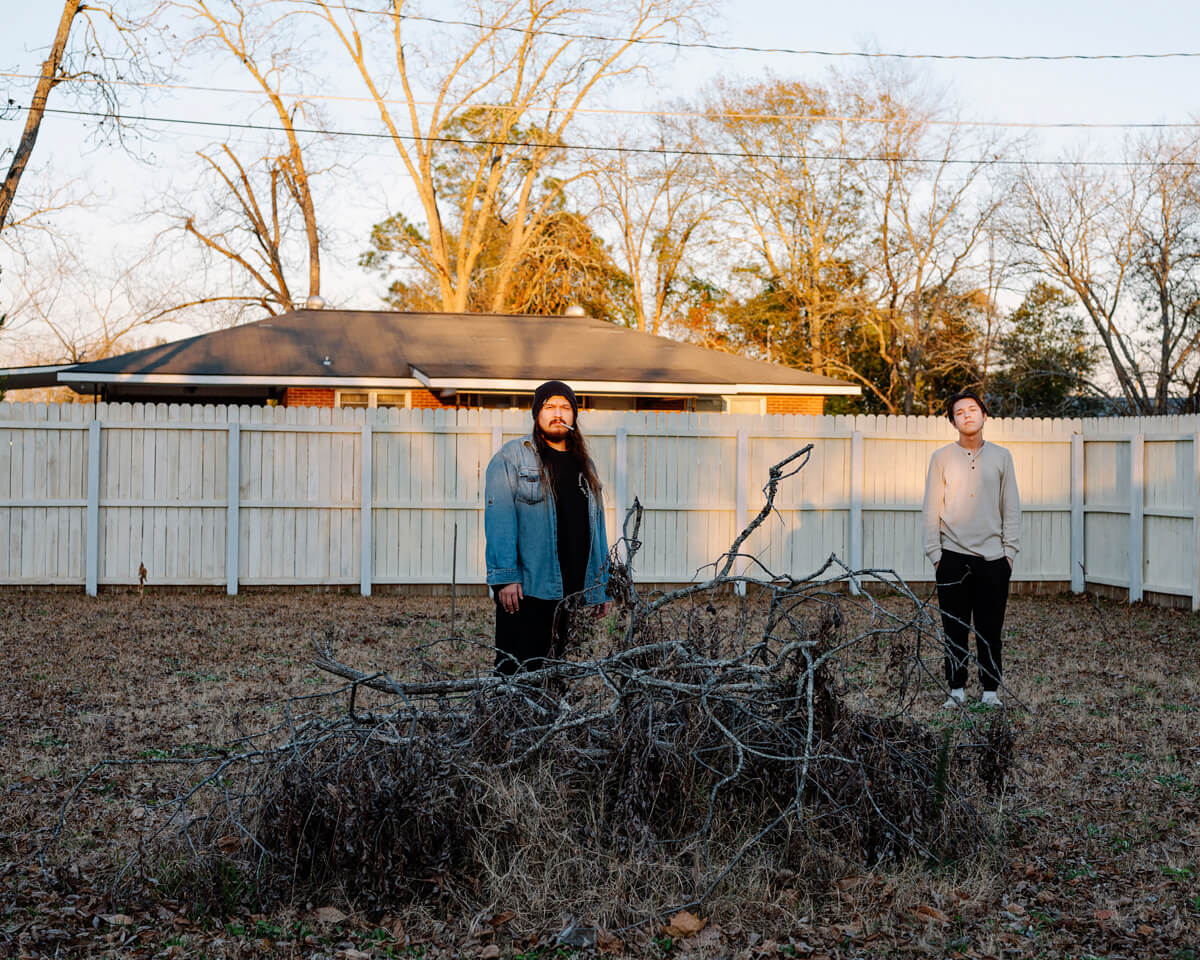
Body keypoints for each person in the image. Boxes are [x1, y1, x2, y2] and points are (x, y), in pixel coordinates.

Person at [484, 380, 610, 675]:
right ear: (536, 414)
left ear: (574, 415)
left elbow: (598, 526)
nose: (558, 414)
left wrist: (599, 587)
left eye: (565, 407)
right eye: (549, 407)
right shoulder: (512, 458)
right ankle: (508, 722)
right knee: (515, 672)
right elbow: (499, 517)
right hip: (527, 590)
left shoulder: (585, 464)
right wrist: (505, 578)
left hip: (571, 590)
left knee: (555, 672)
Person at [922, 389, 1021, 707]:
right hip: (951, 557)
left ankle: (990, 692)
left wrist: (1009, 554)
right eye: (959, 412)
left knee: (990, 628)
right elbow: (930, 508)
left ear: (984, 415)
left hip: (993, 559)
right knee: (954, 626)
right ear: (952, 421)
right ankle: (957, 690)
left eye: (972, 409)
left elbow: (1012, 507)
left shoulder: (1002, 456)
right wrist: (936, 556)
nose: (967, 414)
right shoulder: (941, 458)